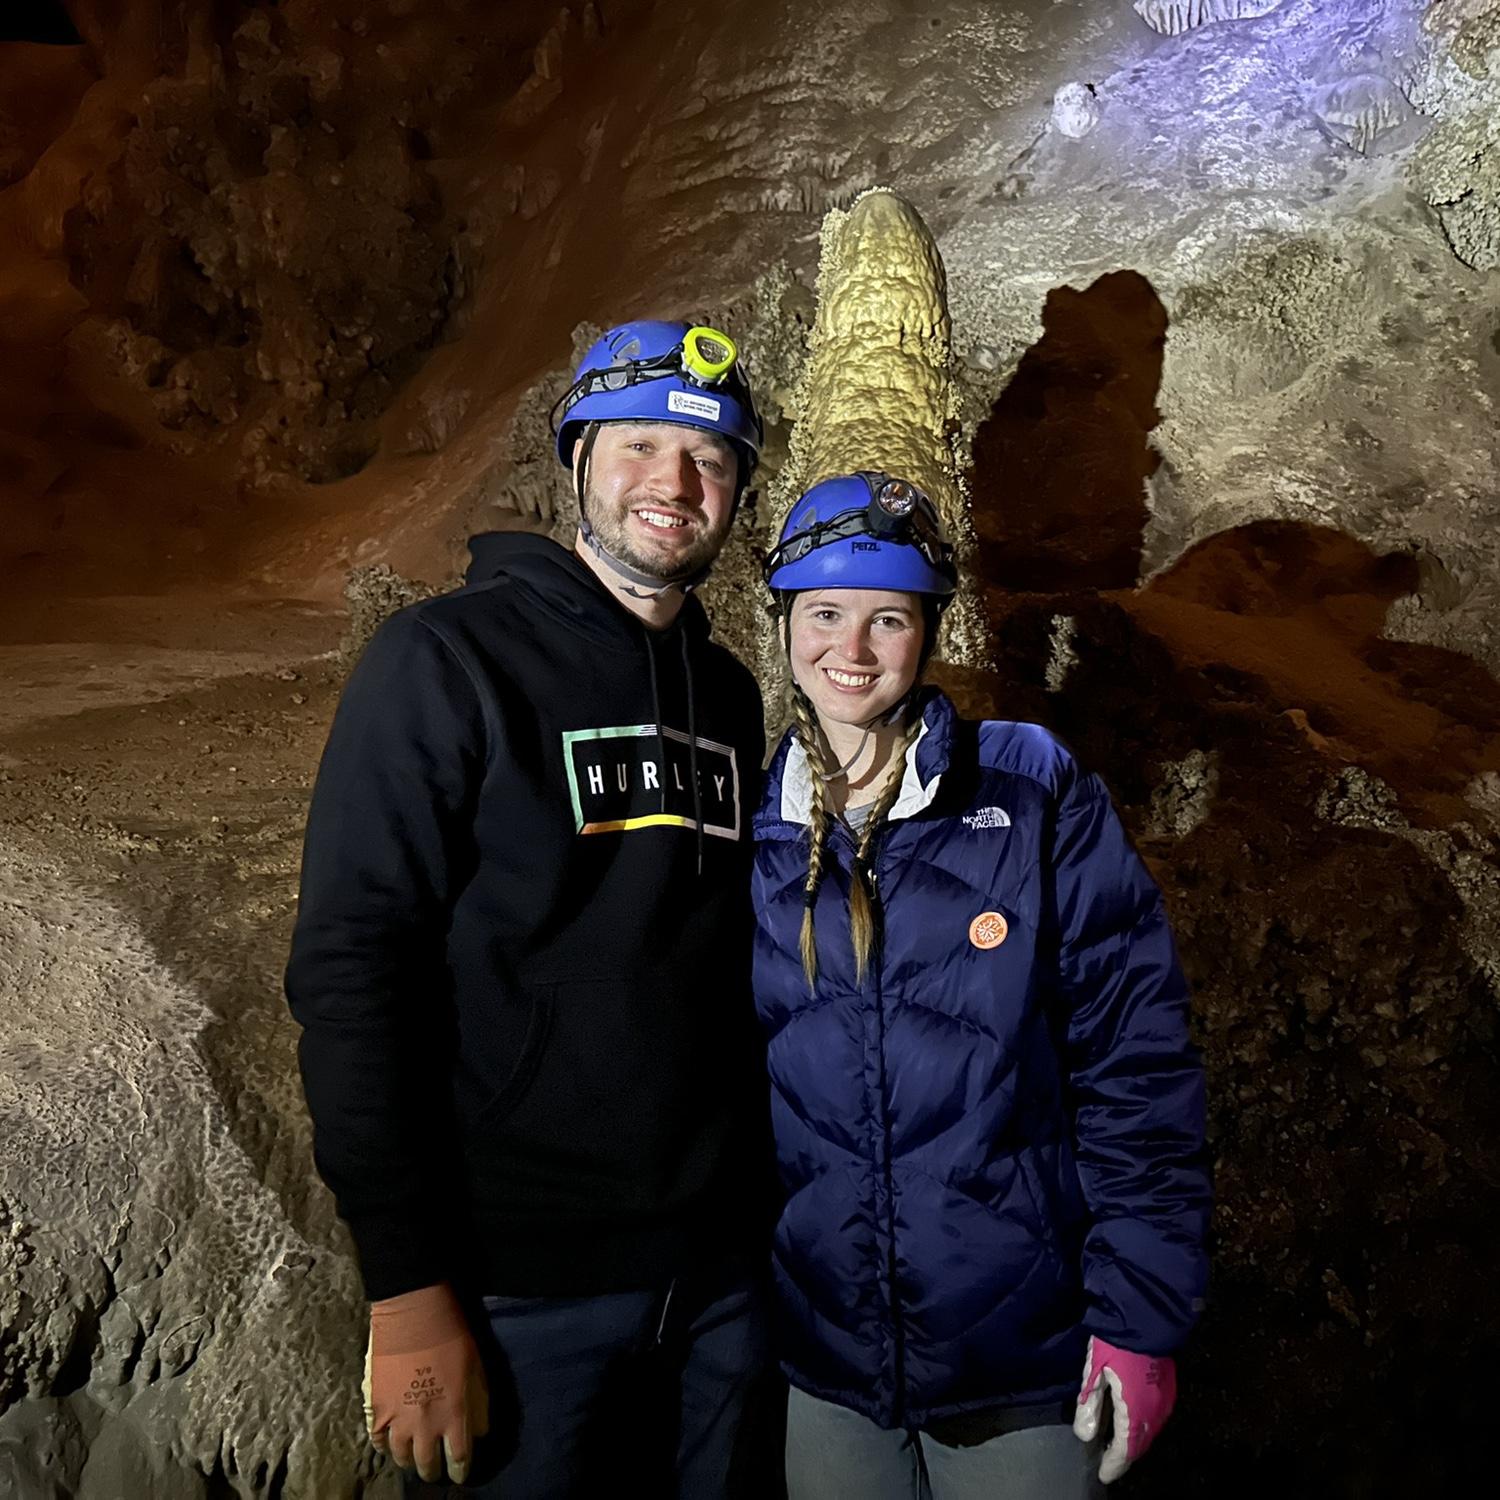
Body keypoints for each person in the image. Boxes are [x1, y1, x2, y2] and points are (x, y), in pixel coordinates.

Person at [285, 320, 775, 1497]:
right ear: (578, 458)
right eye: (640, 445)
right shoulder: (445, 661)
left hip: (721, 1276)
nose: (674, 483)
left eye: (709, 459)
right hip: (521, 1286)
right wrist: (407, 1287)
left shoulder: (727, 694)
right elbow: (355, 967)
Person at [751, 471, 1211, 1499]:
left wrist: (1142, 1316)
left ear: (927, 633)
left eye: (888, 619)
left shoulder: (1030, 792)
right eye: (824, 614)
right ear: (783, 623)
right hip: (828, 1363)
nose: (852, 648)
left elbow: (1134, 1063)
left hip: (1018, 1356)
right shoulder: (758, 825)